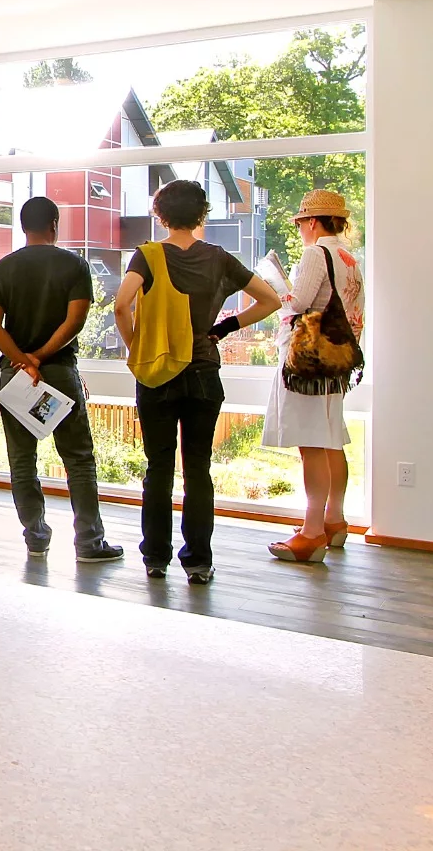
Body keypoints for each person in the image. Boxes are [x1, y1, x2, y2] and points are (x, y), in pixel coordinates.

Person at [114, 181, 279, 584]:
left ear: (161, 215)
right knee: (198, 470)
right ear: (201, 215)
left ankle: (155, 558)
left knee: (158, 467)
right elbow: (271, 300)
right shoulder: (218, 258)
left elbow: (121, 305)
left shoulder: (147, 257)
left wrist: (137, 347)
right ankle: (199, 562)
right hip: (204, 372)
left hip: (157, 375)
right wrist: (223, 328)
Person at [0, 197, 123, 563]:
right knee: (78, 459)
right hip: (58, 370)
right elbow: (75, 321)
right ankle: (89, 543)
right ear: (54, 225)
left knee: (22, 459)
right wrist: (41, 358)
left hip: (16, 377)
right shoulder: (73, 265)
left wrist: (22, 361)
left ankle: (36, 538)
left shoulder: (0, 269)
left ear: (23, 226)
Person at [265, 190, 366, 564]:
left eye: (301, 223)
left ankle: (311, 533)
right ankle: (334, 521)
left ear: (311, 222)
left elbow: (298, 303)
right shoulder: (349, 257)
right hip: (337, 357)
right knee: (331, 438)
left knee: (311, 443)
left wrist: (276, 289)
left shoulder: (315, 254)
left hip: (309, 360)